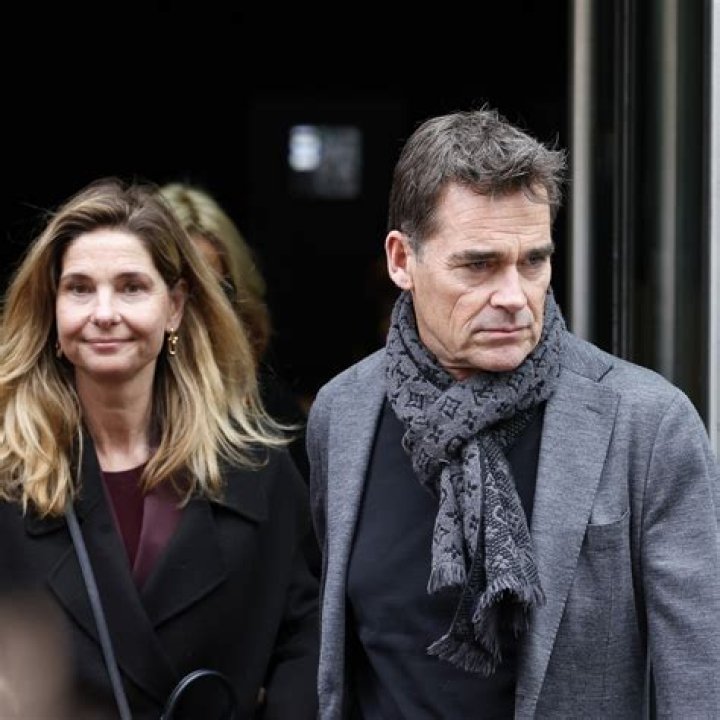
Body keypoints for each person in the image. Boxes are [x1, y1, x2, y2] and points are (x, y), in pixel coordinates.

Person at [306, 107, 720, 719]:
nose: (514, 296)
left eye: (533, 262)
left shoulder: (647, 424)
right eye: (478, 264)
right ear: (401, 261)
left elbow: (700, 685)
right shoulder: (343, 414)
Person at [0, 177, 319, 719]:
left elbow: (306, 638)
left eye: (131, 287)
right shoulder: (11, 475)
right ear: (52, 309)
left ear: (174, 307)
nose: (104, 312)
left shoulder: (255, 469)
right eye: (79, 288)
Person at [157, 181, 310, 481]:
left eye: (212, 292)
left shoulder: (271, 419)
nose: (185, 310)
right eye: (170, 288)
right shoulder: (103, 411)